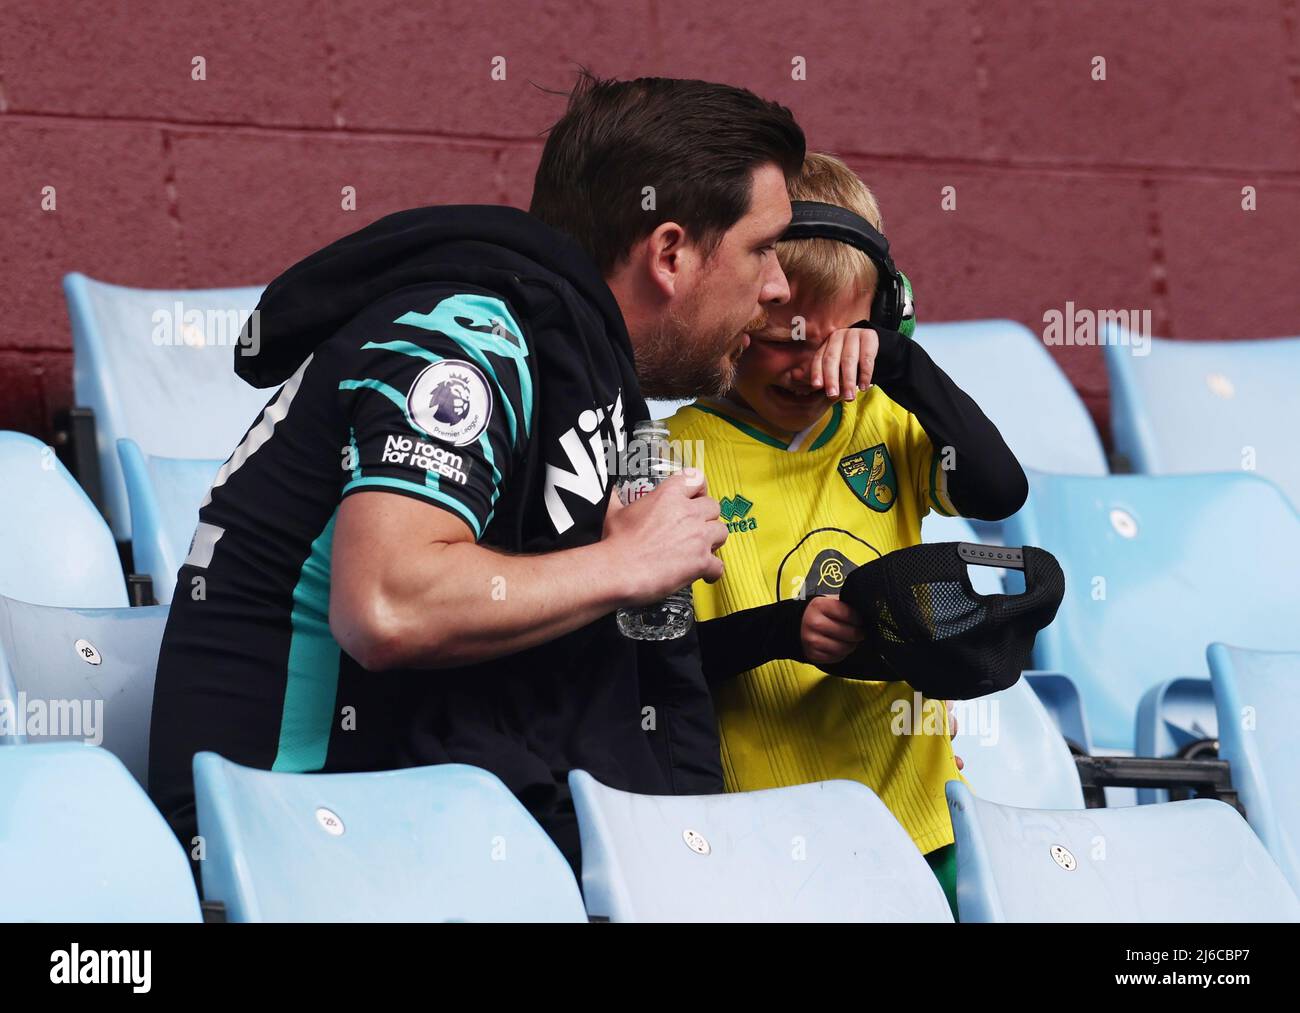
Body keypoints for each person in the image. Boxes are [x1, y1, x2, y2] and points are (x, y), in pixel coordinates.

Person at [147, 73, 808, 876]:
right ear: (669, 253)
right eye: (763, 248)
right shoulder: (464, 339)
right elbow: (386, 603)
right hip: (282, 823)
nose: (778, 287)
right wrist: (623, 564)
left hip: (401, 819)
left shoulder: (585, 375)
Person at [667, 153, 1028, 914]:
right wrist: (781, 631)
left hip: (924, 815)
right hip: (769, 830)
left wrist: (903, 364)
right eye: (784, 339)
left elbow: (1001, 491)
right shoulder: (672, 454)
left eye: (845, 337)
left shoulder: (887, 419)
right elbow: (663, 661)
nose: (812, 370)